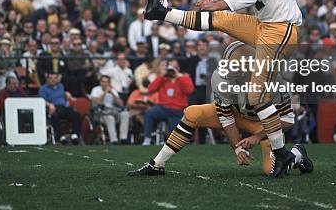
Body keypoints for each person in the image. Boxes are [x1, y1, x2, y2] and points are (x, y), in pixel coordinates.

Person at [144, 0, 301, 177]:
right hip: (267, 26)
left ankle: (285, 153)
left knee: (256, 95)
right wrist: (217, 1)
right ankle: (161, 12)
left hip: (278, 30)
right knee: (217, 19)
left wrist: (217, 2)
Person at [129, 42, 312, 177]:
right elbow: (226, 118)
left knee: (270, 170)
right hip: (236, 114)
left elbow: (288, 120)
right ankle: (157, 164)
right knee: (193, 113)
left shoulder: (273, 80)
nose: (231, 72)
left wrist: (256, 137)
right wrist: (238, 149)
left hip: (264, 124)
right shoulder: (220, 77)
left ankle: (296, 154)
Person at [141, 60, 194, 146]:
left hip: (177, 111)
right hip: (162, 108)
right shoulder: (163, 79)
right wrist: (161, 75)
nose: (171, 70)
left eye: (174, 67)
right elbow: (150, 89)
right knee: (149, 113)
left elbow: (189, 90)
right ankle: (147, 138)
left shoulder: (183, 78)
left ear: (178, 68)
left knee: (174, 139)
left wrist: (179, 76)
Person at [39, 72, 81, 144]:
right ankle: (61, 137)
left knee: (76, 113)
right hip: (53, 108)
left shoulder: (61, 86)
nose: (53, 80)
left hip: (63, 107)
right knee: (54, 115)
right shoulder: (43, 89)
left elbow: (62, 95)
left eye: (55, 78)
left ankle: (75, 135)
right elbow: (42, 100)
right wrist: (49, 105)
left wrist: (67, 95)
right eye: (51, 78)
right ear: (47, 79)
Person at [90, 75, 129, 144]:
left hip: (114, 111)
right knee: (110, 118)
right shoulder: (96, 90)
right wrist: (105, 92)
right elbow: (96, 102)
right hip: (101, 113)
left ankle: (123, 138)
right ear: (100, 82)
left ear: (109, 83)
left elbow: (121, 104)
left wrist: (112, 93)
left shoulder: (113, 90)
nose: (104, 84)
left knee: (125, 114)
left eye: (106, 82)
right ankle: (114, 140)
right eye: (103, 82)